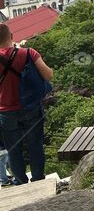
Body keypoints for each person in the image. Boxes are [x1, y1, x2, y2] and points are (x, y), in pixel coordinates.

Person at [0, 25, 54, 184]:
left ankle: (21, 182)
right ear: (11, 35)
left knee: (13, 149)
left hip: (5, 112)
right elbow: (48, 75)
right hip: (31, 107)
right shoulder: (28, 53)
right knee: (35, 145)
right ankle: (38, 179)